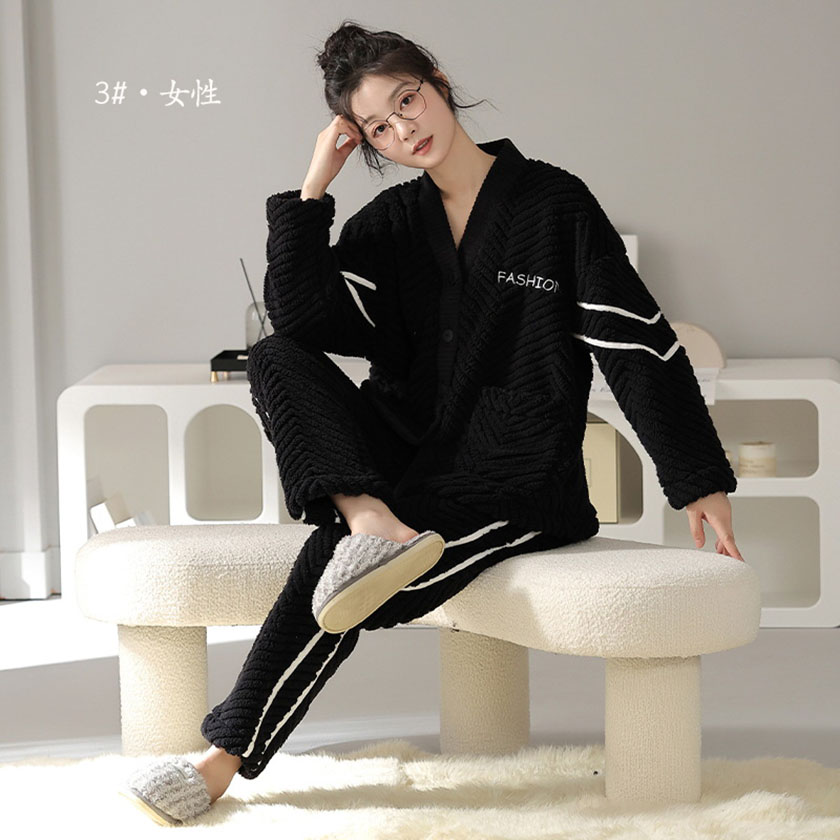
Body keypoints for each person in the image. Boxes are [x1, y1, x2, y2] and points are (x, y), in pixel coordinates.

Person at [121, 19, 744, 825]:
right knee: (274, 355)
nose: (402, 130)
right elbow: (302, 319)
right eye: (377, 126)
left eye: (407, 101)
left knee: (341, 575)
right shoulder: (389, 224)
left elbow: (635, 343)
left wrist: (698, 479)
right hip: (398, 459)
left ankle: (221, 757)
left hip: (514, 475)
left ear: (439, 85)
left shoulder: (552, 203)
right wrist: (314, 185)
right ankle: (368, 518)